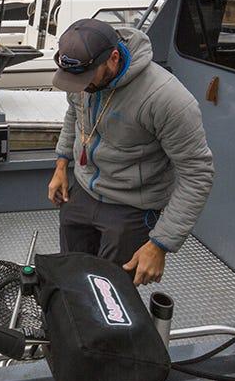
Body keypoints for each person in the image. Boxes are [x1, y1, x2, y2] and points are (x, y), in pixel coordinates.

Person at [49, 18, 214, 286]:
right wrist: (61, 164)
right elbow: (74, 115)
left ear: (113, 58)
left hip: (131, 207)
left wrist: (160, 243)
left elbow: (198, 174)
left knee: (112, 292)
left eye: (87, 79)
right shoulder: (83, 83)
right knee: (71, 274)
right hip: (81, 192)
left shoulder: (167, 98)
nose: (83, 86)